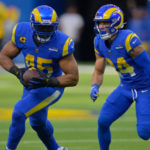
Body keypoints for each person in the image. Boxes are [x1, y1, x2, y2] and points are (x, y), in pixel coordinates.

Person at [0, 5, 78, 150]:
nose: (45, 32)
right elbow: (3, 55)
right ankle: (56, 148)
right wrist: (18, 72)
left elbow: (73, 78)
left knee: (19, 113)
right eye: (41, 27)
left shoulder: (62, 42)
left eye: (49, 28)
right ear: (32, 25)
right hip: (30, 85)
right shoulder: (22, 32)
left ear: (55, 27)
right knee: (38, 123)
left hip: (51, 87)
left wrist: (48, 80)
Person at [90, 4, 150, 150]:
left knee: (144, 133)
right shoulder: (98, 41)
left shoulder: (128, 39)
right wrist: (94, 86)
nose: (102, 26)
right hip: (125, 87)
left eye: (106, 22)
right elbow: (99, 69)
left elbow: (147, 66)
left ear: (116, 22)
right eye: (100, 22)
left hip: (145, 88)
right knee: (103, 121)